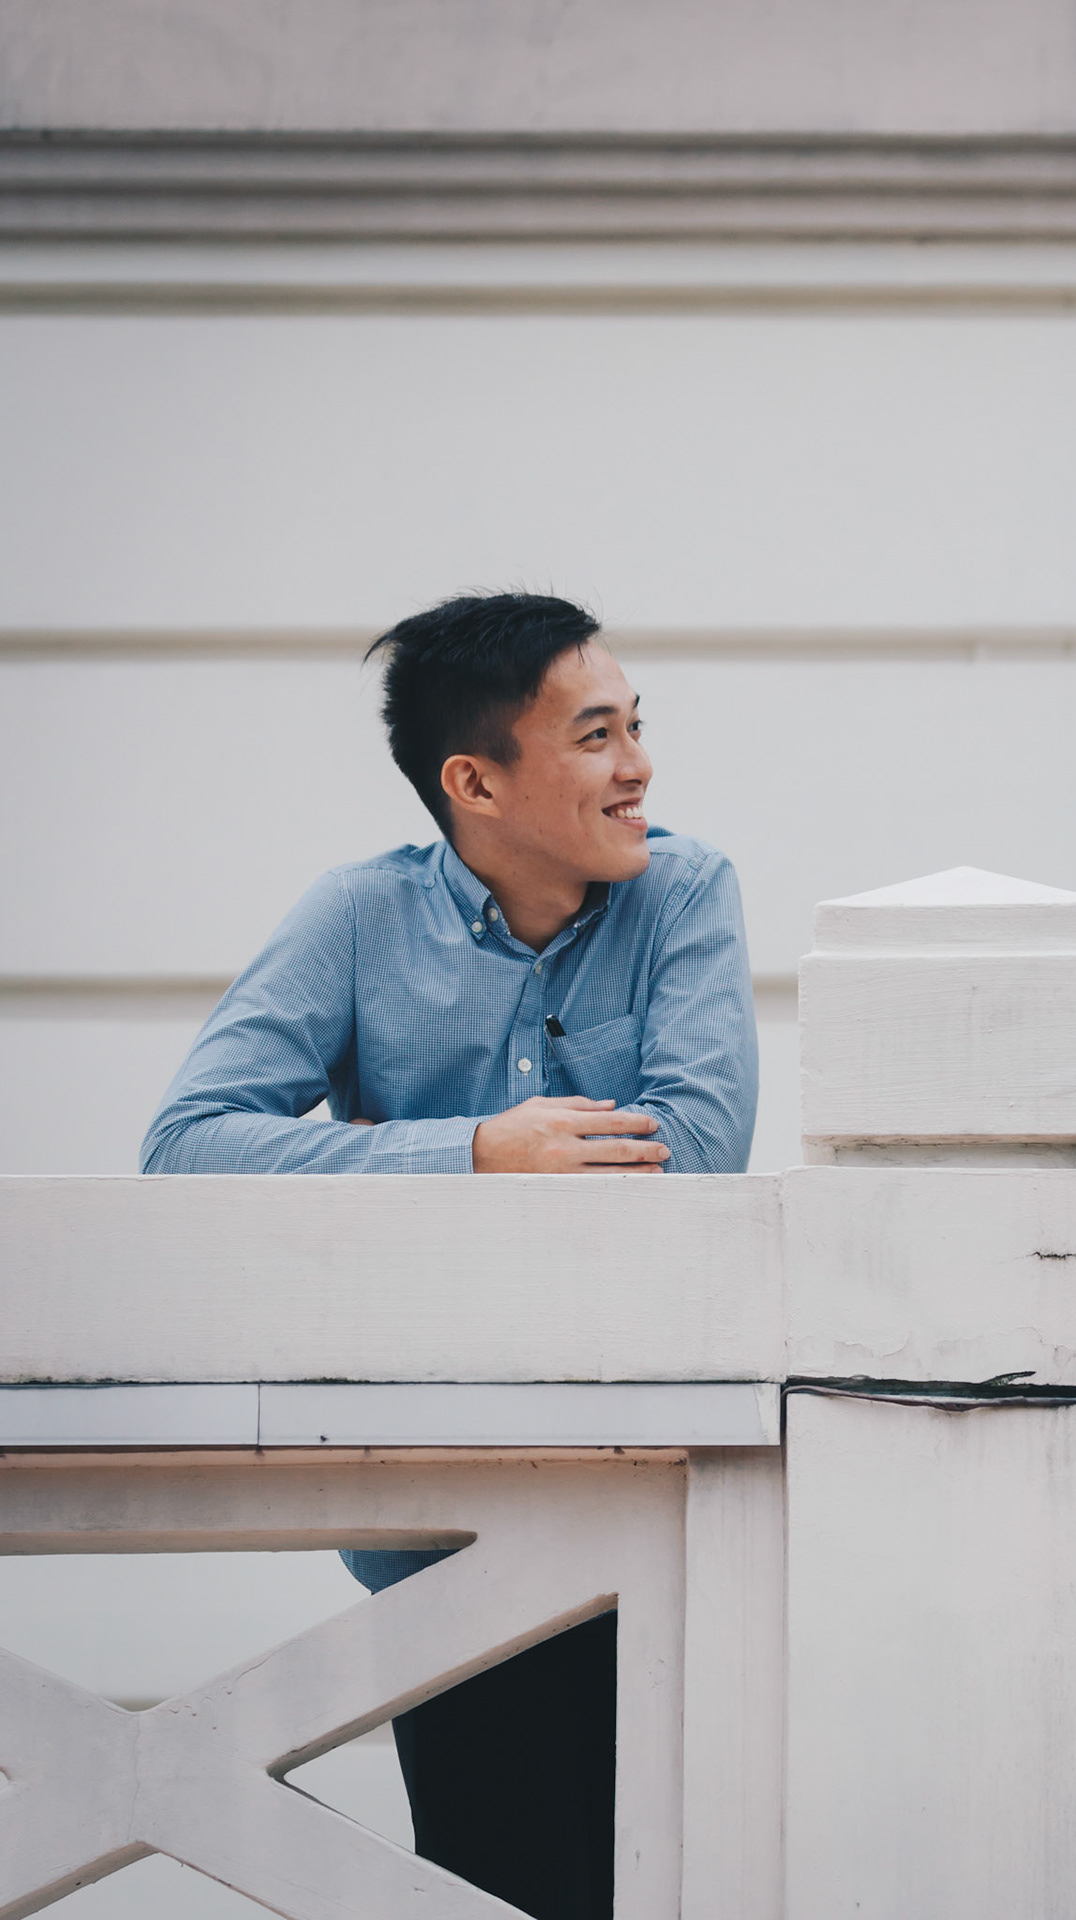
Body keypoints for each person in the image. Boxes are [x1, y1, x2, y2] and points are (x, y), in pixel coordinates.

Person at [143, 591, 758, 1920]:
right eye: (596, 736)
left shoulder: (687, 894)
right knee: (498, 1880)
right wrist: (476, 1151)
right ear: (474, 782)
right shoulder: (358, 918)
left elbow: (697, 1166)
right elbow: (188, 1147)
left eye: (636, 726)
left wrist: (396, 1158)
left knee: (685, 1879)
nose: (640, 766)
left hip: (664, 1496)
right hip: (440, 1522)